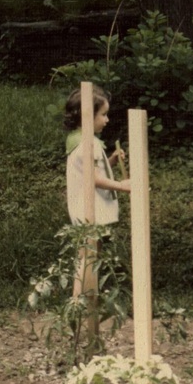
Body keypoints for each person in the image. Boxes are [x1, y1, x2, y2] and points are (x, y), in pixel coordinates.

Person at [64, 86, 130, 295]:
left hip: (86, 207)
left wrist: (110, 160)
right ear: (86, 116)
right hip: (88, 209)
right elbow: (93, 179)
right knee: (87, 255)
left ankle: (87, 297)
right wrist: (122, 185)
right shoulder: (87, 144)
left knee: (91, 253)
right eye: (103, 114)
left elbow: (92, 170)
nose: (107, 119)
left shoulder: (84, 142)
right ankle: (77, 299)